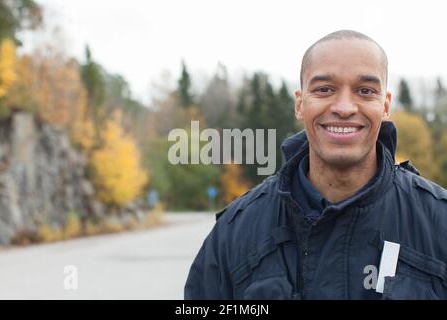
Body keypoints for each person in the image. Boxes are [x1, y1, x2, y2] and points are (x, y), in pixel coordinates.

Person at [184, 30, 447, 300]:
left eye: (365, 91)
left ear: (385, 105)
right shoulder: (235, 232)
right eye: (324, 89)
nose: (344, 107)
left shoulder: (439, 223)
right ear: (300, 104)